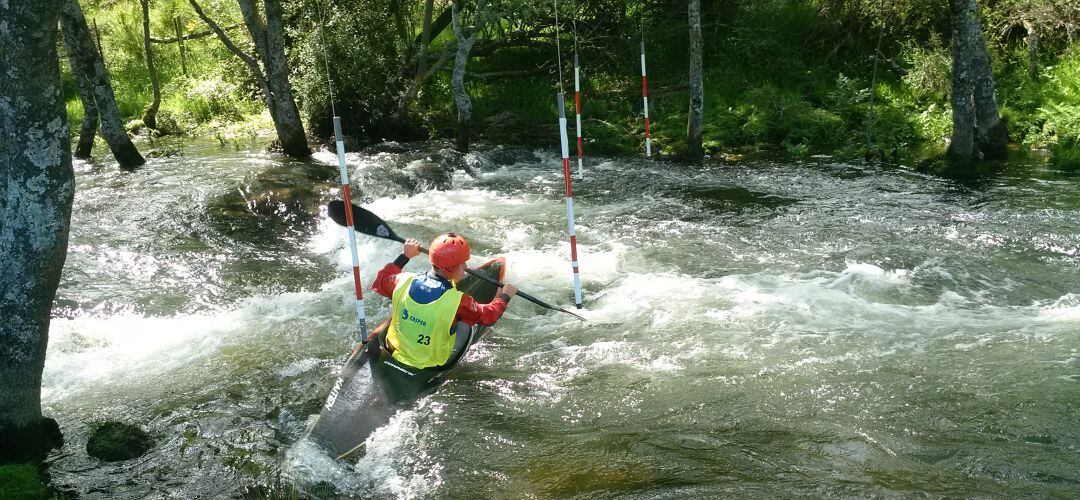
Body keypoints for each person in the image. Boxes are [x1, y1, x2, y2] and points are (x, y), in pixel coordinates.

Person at [372, 233, 517, 370]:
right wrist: (505, 296)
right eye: (463, 263)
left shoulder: (403, 279)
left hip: (394, 349)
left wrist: (405, 255)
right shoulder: (458, 301)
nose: (466, 267)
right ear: (451, 268)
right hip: (430, 363)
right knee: (462, 321)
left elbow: (380, 282)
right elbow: (489, 316)